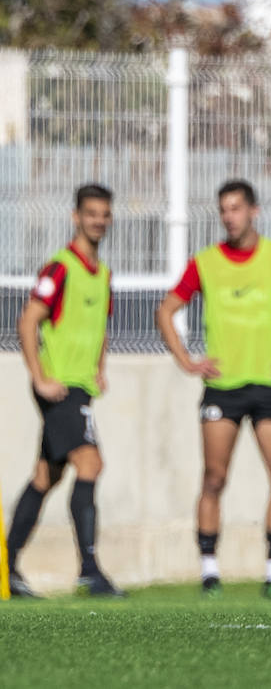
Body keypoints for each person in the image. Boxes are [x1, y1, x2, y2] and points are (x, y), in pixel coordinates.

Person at [155, 179, 271, 599]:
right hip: (223, 388)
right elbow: (166, 310)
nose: (229, 217)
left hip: (269, 385)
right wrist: (187, 360)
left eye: (235, 208)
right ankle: (209, 571)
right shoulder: (206, 262)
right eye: (223, 210)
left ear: (254, 211)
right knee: (215, 478)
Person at [6, 184, 122, 598]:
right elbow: (28, 321)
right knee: (91, 464)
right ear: (76, 217)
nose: (98, 221)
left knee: (46, 475)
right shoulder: (60, 268)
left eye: (104, 214)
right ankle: (89, 571)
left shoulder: (103, 274)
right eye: (91, 213)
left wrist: (100, 369)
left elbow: (99, 326)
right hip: (59, 389)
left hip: (81, 389)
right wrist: (39, 377)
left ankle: (5, 567)